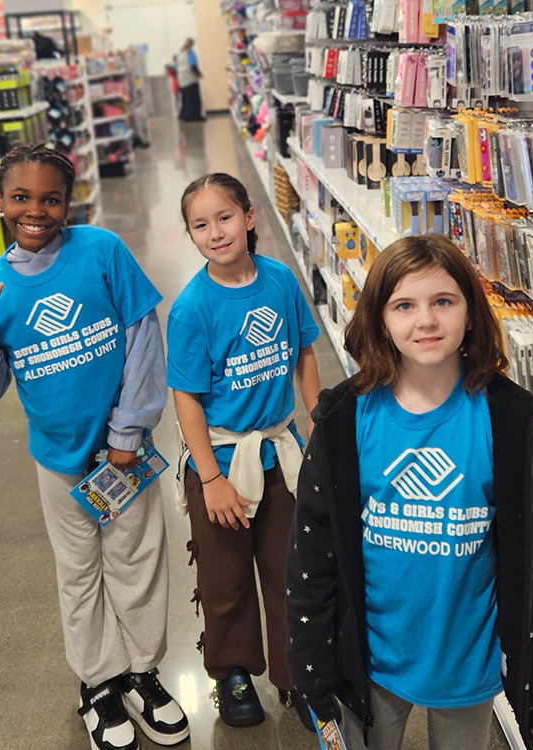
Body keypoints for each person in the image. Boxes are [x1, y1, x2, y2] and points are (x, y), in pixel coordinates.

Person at [0, 144, 189, 750]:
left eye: (51, 198)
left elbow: (144, 343)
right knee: (78, 575)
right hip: (58, 461)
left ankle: (143, 673)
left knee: (139, 562)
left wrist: (128, 432)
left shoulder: (101, 250)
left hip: (122, 456)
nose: (36, 210)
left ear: (67, 201)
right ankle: (99, 682)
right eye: (21, 197)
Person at [286, 233, 533, 750]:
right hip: (368, 658)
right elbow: (313, 551)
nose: (426, 321)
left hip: (468, 658)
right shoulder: (344, 420)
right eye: (404, 305)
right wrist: (310, 665)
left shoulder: (511, 421)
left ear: (470, 311)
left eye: (443, 301)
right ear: (378, 318)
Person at [167, 173, 321, 728]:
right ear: (190, 235)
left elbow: (303, 355)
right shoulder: (192, 309)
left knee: (291, 572)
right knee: (225, 576)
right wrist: (210, 479)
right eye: (200, 225)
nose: (215, 232)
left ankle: (296, 674)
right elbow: (185, 397)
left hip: (280, 453)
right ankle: (231, 671)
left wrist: (317, 420)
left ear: (250, 217)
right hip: (222, 459)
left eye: (224, 217)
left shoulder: (280, 281)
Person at [173, 37, 204, 122]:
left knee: (185, 99)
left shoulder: (180, 53)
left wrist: (177, 79)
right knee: (194, 98)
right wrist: (199, 74)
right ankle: (195, 116)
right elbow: (193, 65)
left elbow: (175, 67)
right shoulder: (190, 53)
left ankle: (185, 115)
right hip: (190, 79)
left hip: (181, 79)